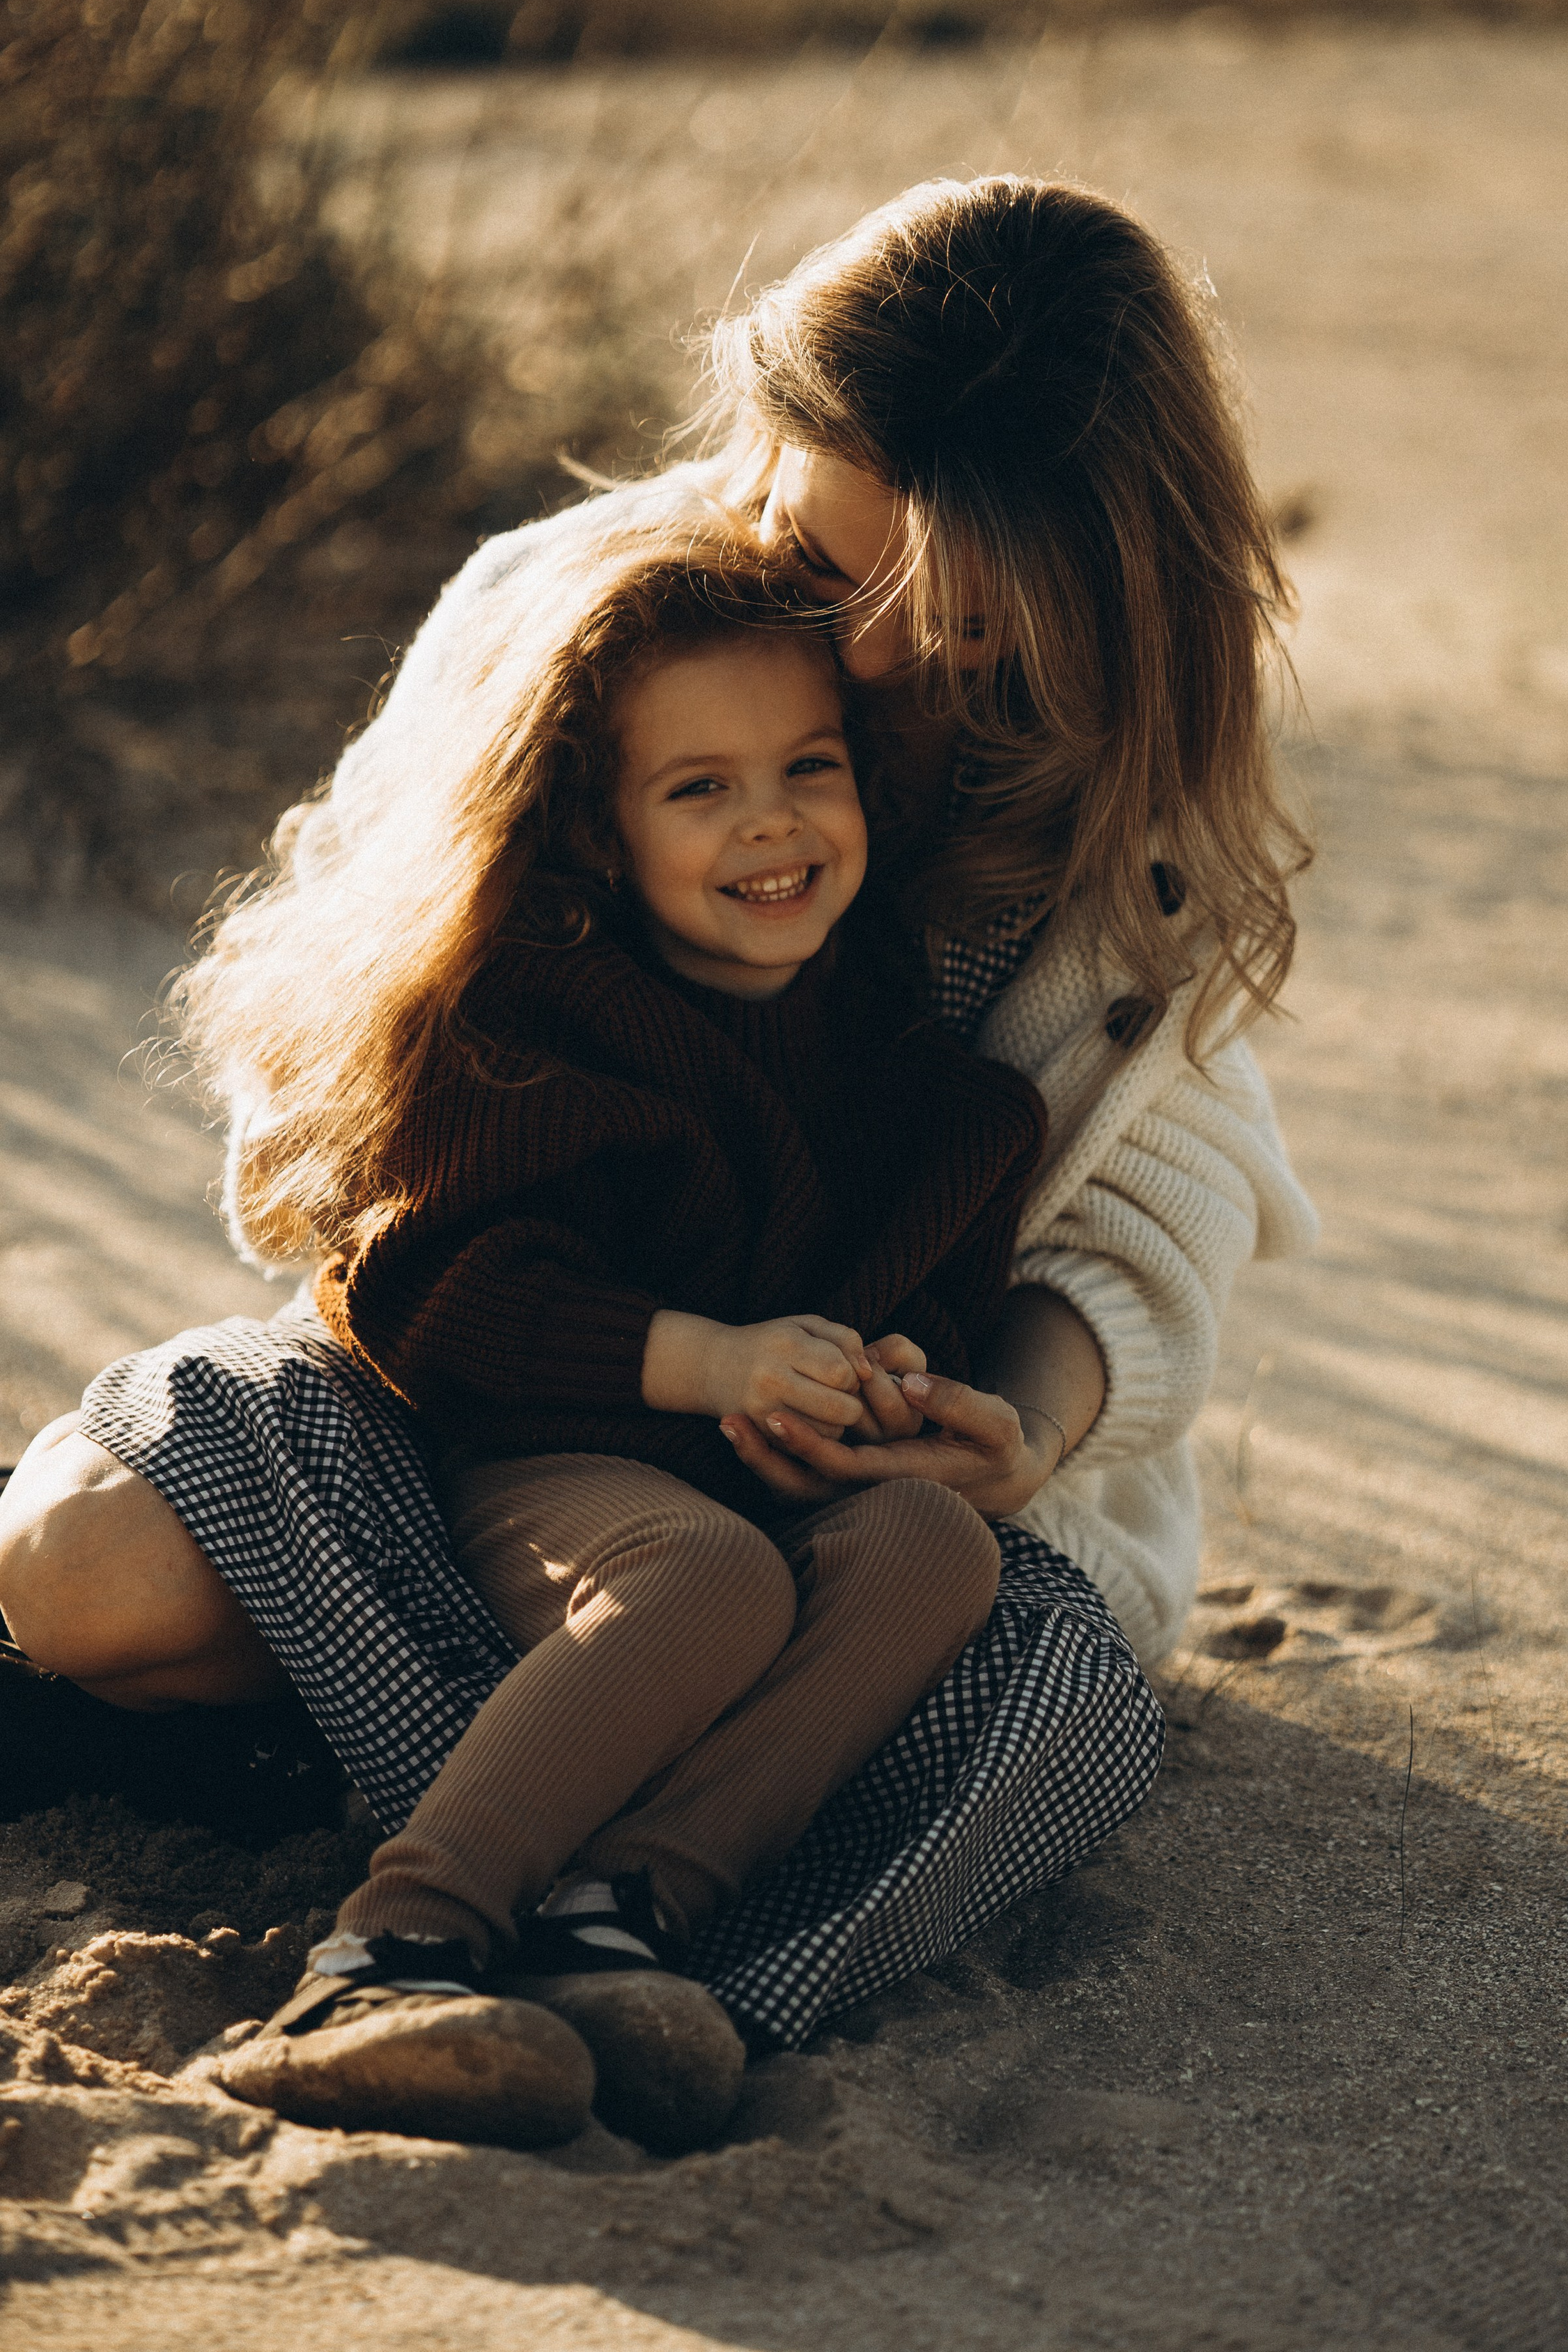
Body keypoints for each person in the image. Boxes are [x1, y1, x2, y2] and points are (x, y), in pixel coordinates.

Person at [0, 173, 1317, 2139]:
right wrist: (670, 1348)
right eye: (829, 560)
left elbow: (1152, 1202)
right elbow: (346, 1124)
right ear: (762, 437)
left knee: (1044, 1709)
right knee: (90, 1570)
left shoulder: (1121, 793)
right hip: (507, 1423)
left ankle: (634, 1951)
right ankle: (447, 1875)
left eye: (962, 617)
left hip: (871, 1527)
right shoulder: (568, 630)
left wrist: (1010, 1418)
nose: (878, 656)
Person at [204, 526, 1046, 2149]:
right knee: (706, 1573)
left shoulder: (922, 1083)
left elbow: (928, 1300)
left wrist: (898, 1394)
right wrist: (704, 1360)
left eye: (807, 769)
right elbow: (427, 1295)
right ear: (598, 831)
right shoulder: (530, 1027)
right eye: (698, 788)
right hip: (546, 1467)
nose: (769, 822)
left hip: (769, 1484)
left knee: (935, 1546)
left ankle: (621, 1922)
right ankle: (391, 1951)